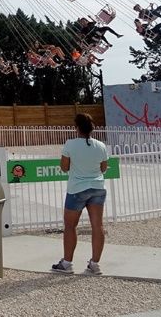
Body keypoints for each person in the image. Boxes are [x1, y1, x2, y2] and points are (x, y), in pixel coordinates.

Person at [51, 113, 108, 275]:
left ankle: (67, 263)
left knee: (70, 226)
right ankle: (95, 264)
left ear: (77, 128)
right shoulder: (100, 145)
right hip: (97, 187)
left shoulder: (70, 144)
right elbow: (103, 168)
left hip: (77, 188)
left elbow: (64, 167)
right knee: (98, 226)